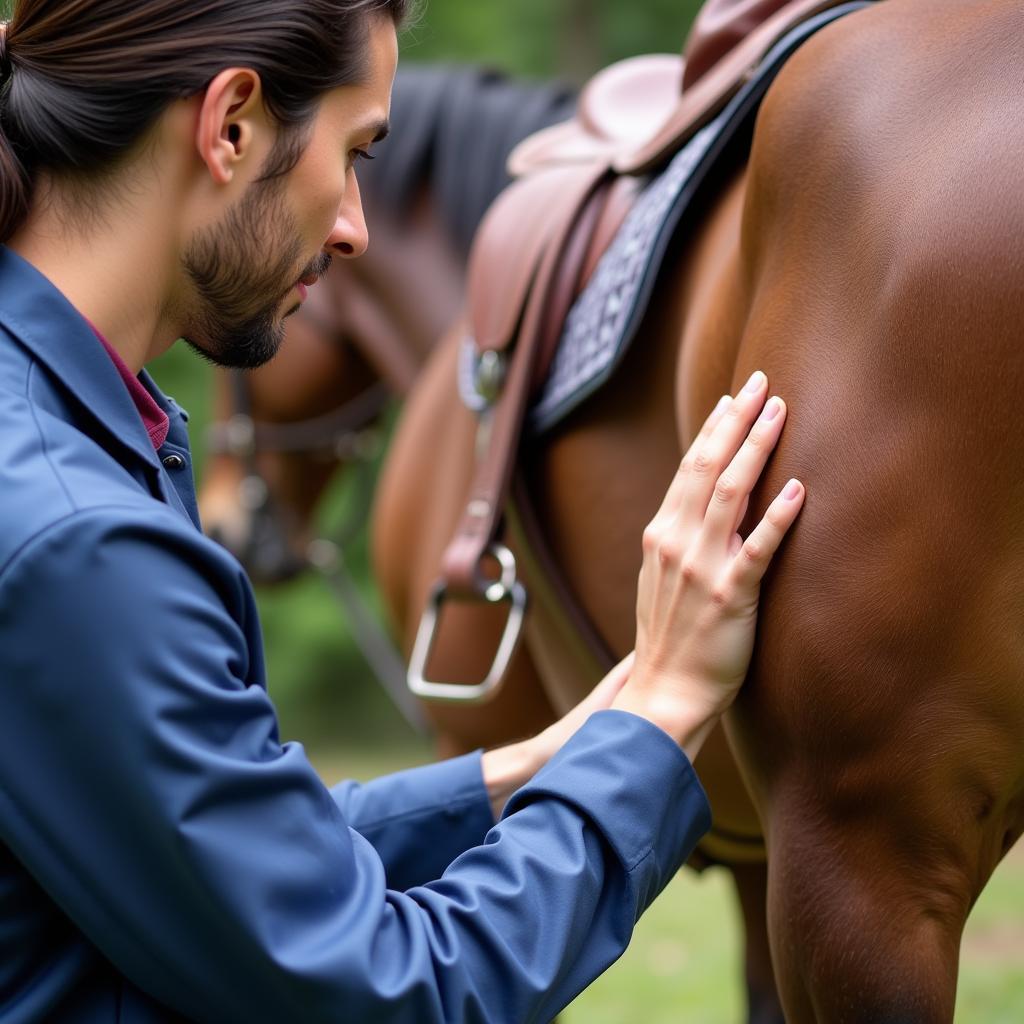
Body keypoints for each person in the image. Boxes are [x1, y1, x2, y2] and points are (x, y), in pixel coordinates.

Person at [0, 1, 805, 1021]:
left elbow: (225, 848)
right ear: (231, 125)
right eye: (355, 152)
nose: (353, 227)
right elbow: (397, 991)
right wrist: (665, 712)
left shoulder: (63, 444)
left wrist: (562, 747)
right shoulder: (78, 542)